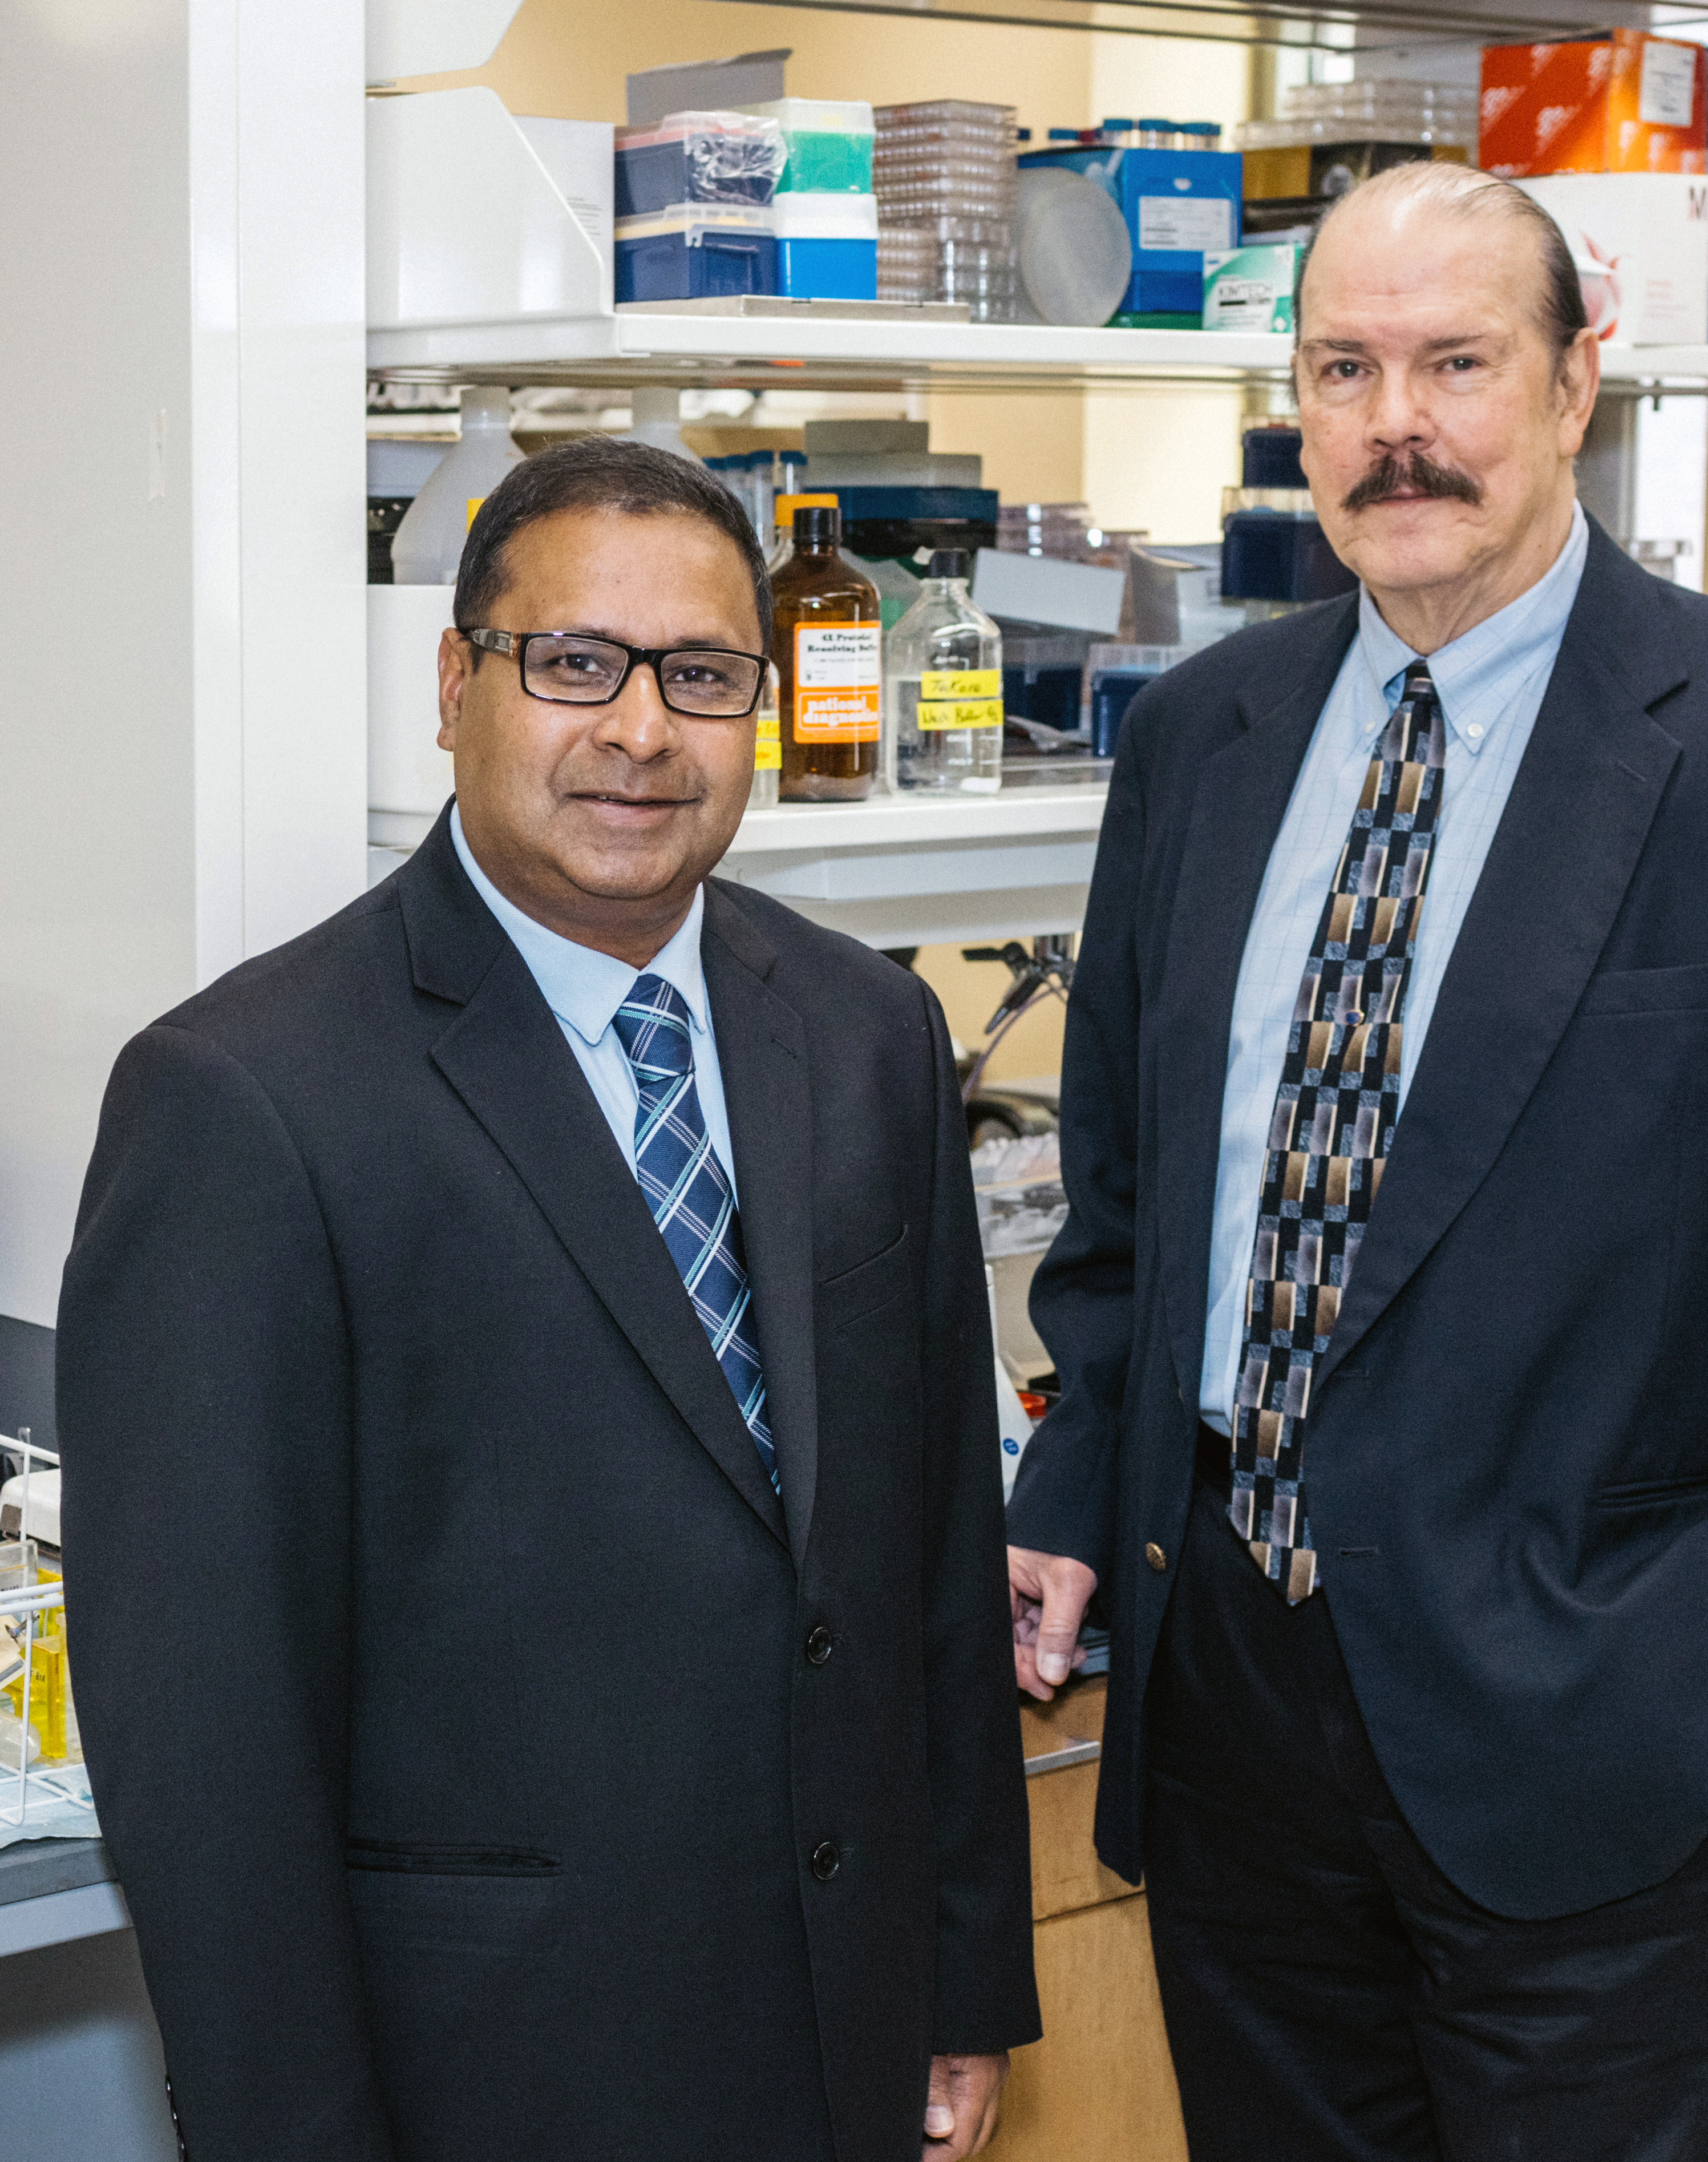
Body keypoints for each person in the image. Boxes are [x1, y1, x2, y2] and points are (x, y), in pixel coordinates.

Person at [1005, 160, 1708, 2160]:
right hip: (1238, 1714)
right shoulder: (1203, 739)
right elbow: (1134, 1216)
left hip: (1628, 1734)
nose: (1398, 421)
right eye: (1346, 368)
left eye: (1459, 361)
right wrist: (1074, 1492)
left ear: (1580, 385)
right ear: (1295, 407)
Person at [59, 438, 1038, 2162]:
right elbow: (207, 1746)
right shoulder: (246, 1101)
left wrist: (964, 1974)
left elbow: (931, 1544)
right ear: (455, 684)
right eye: (575, 663)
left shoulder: (866, 1032)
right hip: (485, 2078)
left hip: (840, 2035)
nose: (643, 731)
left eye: (705, 675)